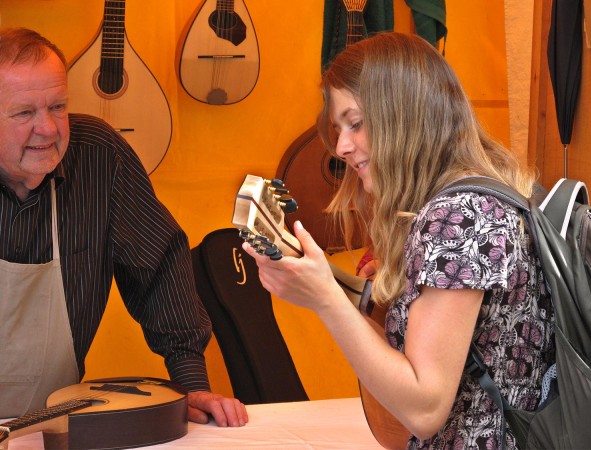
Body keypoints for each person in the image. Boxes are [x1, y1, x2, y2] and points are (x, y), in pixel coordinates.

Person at [244, 32, 554, 449]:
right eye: (338, 129)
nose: (341, 146)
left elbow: (425, 409)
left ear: (403, 115)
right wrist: (349, 291)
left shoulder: (458, 217)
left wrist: (326, 300)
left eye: (355, 123)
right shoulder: (487, 196)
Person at [0, 27, 248, 427]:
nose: (47, 128)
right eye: (25, 113)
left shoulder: (99, 156)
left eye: (58, 107)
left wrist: (190, 384)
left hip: (51, 425)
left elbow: (162, 269)